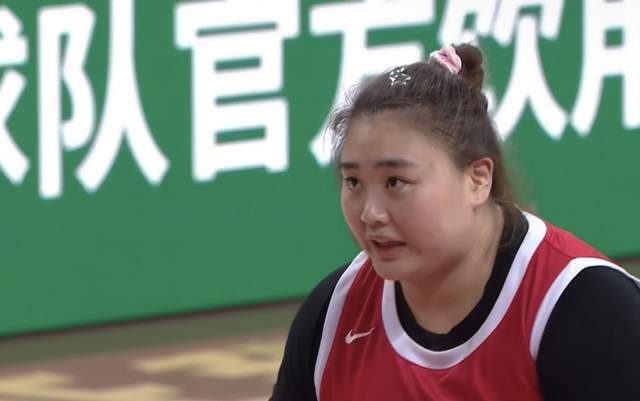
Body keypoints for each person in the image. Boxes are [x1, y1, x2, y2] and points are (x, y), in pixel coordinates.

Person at [270, 43, 640, 401]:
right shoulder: (334, 313)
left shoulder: (589, 309)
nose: (370, 213)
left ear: (478, 179)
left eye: (395, 182)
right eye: (353, 182)